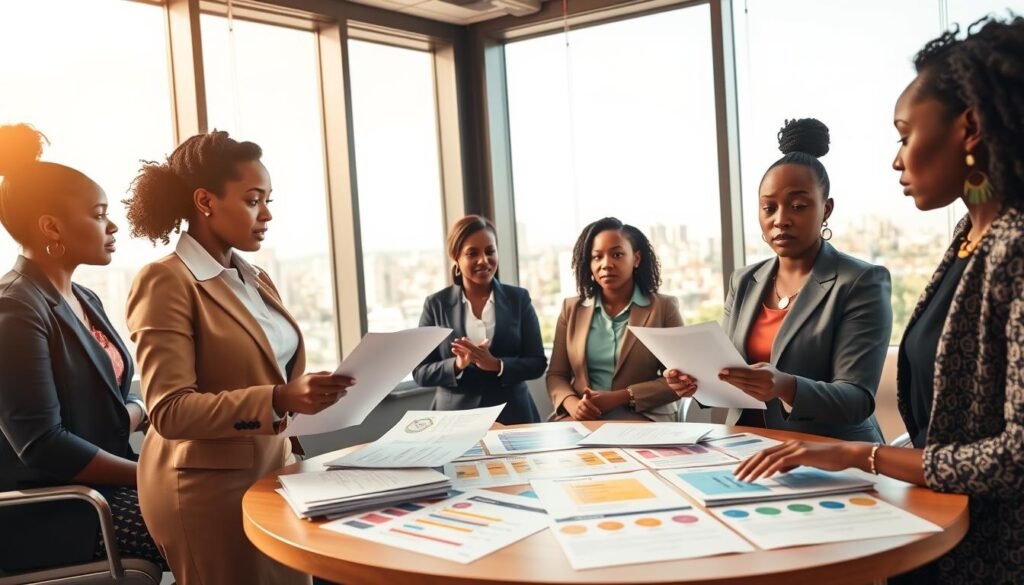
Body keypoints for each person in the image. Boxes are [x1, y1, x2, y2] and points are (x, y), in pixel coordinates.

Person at [735, 17, 1024, 584]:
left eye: (904, 134)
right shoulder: (970, 239)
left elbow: (1014, 455)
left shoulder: (1014, 247)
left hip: (998, 551)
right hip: (943, 519)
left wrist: (857, 456)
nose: (897, 159)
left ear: (969, 127)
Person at [123, 130, 354, 585]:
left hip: (274, 473)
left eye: (268, 199)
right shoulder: (166, 281)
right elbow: (169, 411)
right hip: (205, 492)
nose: (267, 213)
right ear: (205, 201)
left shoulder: (255, 277)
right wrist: (280, 398)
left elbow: (268, 368)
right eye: (253, 200)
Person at [0, 124, 164, 572]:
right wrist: (152, 475)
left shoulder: (83, 298)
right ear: (51, 225)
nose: (112, 226)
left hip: (105, 492)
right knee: (217, 520)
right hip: (57, 512)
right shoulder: (13, 310)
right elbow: (45, 446)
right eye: (98, 214)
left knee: (233, 506)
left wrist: (145, 410)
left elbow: (118, 396)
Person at [666, 119, 892, 442]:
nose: (781, 219)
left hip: (830, 454)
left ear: (826, 209)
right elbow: (729, 373)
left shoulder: (861, 281)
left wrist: (786, 386)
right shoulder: (744, 281)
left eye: (798, 206)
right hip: (747, 447)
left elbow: (857, 400)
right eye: (768, 208)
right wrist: (695, 382)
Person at [413, 215, 546, 424]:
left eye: (490, 251)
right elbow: (421, 372)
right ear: (456, 258)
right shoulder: (436, 304)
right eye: (472, 253)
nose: (483, 260)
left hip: (513, 416)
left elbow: (537, 363)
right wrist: (457, 365)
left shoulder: (518, 299)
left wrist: (497, 365)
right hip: (454, 421)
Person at [547, 217, 682, 422]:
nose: (606, 264)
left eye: (617, 254)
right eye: (597, 257)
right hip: (583, 416)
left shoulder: (663, 308)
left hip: (644, 414)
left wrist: (622, 397)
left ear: (636, 259)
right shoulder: (571, 309)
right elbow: (556, 375)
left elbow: (679, 380)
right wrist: (573, 405)